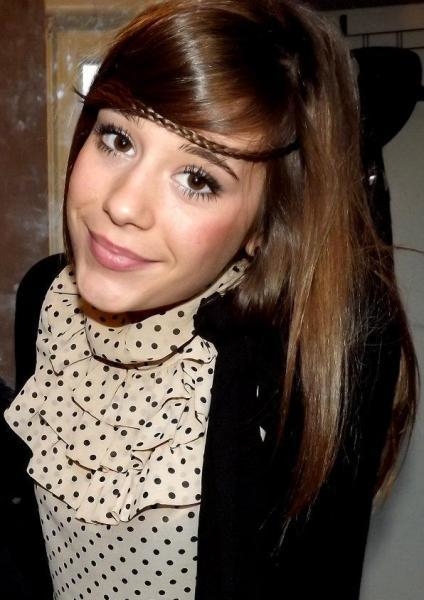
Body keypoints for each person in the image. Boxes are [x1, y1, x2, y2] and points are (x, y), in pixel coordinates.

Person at [4, 0, 417, 598]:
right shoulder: (46, 301)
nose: (122, 204)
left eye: (198, 179)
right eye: (117, 137)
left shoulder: (300, 356)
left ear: (264, 224)